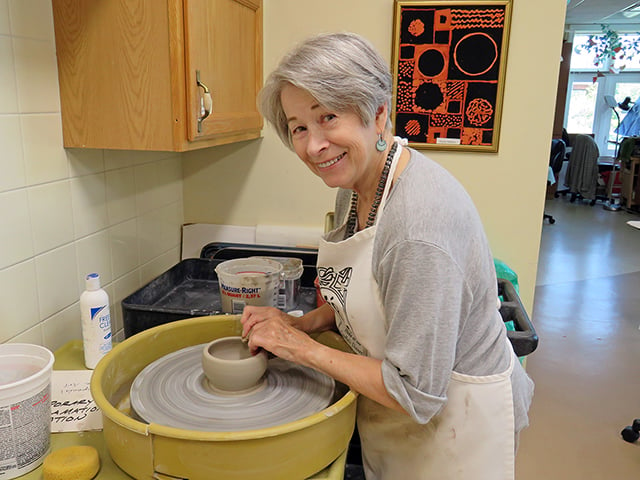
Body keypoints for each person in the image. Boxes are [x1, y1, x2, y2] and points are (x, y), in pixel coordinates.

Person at [241, 32, 534, 479]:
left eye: (329, 117)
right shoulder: (358, 186)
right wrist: (305, 324)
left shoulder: (418, 225)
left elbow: (417, 393)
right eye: (299, 126)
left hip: (457, 423)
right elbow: (368, 301)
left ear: (378, 114)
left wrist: (299, 348)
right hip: (396, 413)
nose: (313, 145)